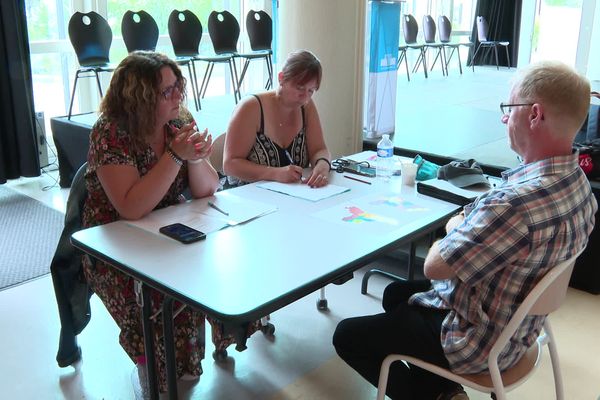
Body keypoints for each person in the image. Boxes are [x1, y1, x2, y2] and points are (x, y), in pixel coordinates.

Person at [332, 60, 598, 400]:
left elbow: (435, 265)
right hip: (519, 329)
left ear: (534, 115)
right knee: (394, 294)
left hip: (477, 342)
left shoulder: (514, 204)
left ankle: (440, 397)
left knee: (347, 336)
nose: (504, 118)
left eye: (509, 108)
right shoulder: (579, 187)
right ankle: (443, 386)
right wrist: (469, 223)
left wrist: (457, 224)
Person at [81, 51, 220, 393]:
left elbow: (206, 189)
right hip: (111, 240)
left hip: (164, 226)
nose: (178, 97)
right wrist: (176, 156)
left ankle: (182, 362)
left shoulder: (177, 119)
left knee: (196, 274)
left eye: (178, 88)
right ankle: (150, 368)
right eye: (167, 92)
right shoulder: (110, 132)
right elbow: (130, 207)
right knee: (146, 293)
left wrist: (197, 157)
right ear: (140, 98)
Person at [223, 49, 331, 188]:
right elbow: (230, 165)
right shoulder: (251, 108)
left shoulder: (306, 107)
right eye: (299, 88)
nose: (305, 96)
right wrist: (274, 173)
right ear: (281, 78)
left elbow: (319, 149)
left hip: (292, 197)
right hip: (247, 196)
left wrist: (322, 164)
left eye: (311, 91)